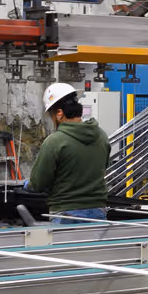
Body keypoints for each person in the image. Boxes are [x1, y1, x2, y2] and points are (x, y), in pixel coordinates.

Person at [26, 82, 110, 222]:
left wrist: (27, 184)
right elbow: (103, 169)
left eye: (52, 116)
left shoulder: (55, 141)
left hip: (66, 213)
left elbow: (37, 184)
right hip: (98, 211)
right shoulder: (101, 136)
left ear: (59, 113)